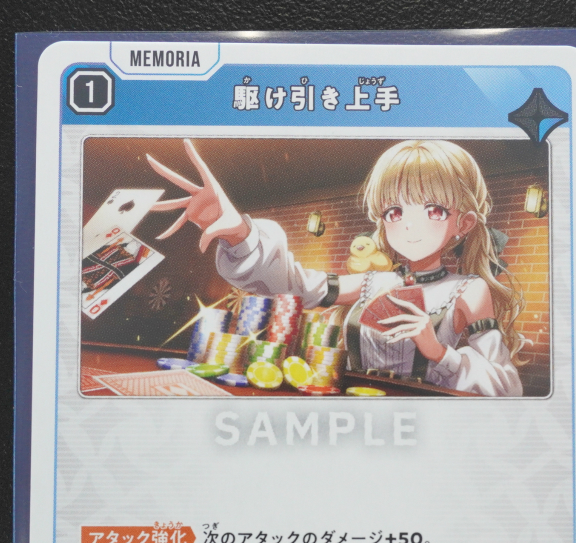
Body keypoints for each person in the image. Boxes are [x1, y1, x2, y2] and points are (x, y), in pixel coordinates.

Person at [147, 139, 526, 396]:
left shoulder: (468, 290)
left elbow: (506, 387)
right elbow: (294, 286)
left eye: (434, 210)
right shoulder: (373, 282)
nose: (409, 225)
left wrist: (438, 351)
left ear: (464, 223)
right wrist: (240, 235)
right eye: (395, 211)